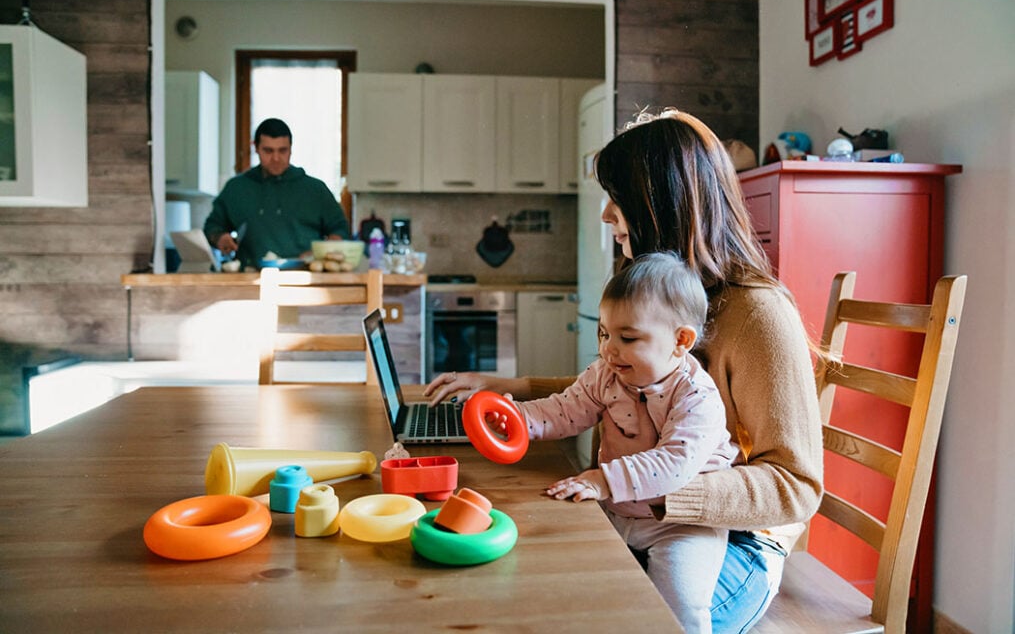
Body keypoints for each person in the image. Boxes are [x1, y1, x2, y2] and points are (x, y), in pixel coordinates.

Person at [425, 109, 823, 633]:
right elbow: (618, 389)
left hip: (731, 539)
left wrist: (655, 491)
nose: (607, 215)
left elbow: (795, 486)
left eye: (619, 197)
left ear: (665, 202)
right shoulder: (649, 297)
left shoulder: (759, 314)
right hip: (634, 508)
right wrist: (517, 391)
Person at [491, 252, 738, 633]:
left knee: (680, 607)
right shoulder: (606, 374)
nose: (609, 348)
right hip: (613, 510)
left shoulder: (698, 399)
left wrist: (603, 479)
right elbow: (566, 409)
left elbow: (674, 464)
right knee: (562, 578)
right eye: (605, 333)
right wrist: (518, 419)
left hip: (679, 524)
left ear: (680, 340)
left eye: (628, 337)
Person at [203, 117, 351, 269]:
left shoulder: (315, 189)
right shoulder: (237, 188)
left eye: (282, 150)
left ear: (291, 149)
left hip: (305, 276)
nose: (276, 158)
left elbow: (340, 229)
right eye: (268, 151)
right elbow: (213, 226)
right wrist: (220, 238)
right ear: (256, 148)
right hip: (250, 277)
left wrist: (322, 251)